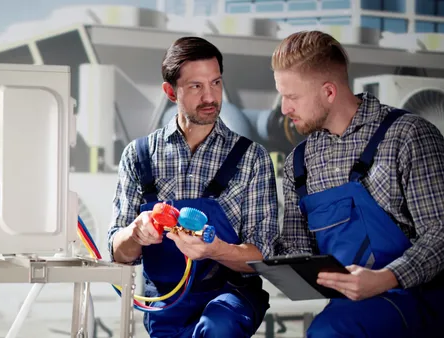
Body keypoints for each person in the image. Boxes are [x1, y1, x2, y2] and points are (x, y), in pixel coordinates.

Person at [273, 30, 444, 337]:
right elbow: (297, 249)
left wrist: (387, 277)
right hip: (351, 310)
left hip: (420, 305)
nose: (285, 109)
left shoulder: (408, 136)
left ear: (328, 92)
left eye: (292, 97)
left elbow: (441, 233)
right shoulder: (301, 161)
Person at [107, 36, 279, 338]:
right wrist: (136, 232)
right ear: (170, 91)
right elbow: (118, 252)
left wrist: (216, 250)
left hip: (231, 299)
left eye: (215, 83)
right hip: (165, 306)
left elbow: (261, 257)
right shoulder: (139, 156)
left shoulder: (252, 158)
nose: (210, 97)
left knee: (216, 328)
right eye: (196, 86)